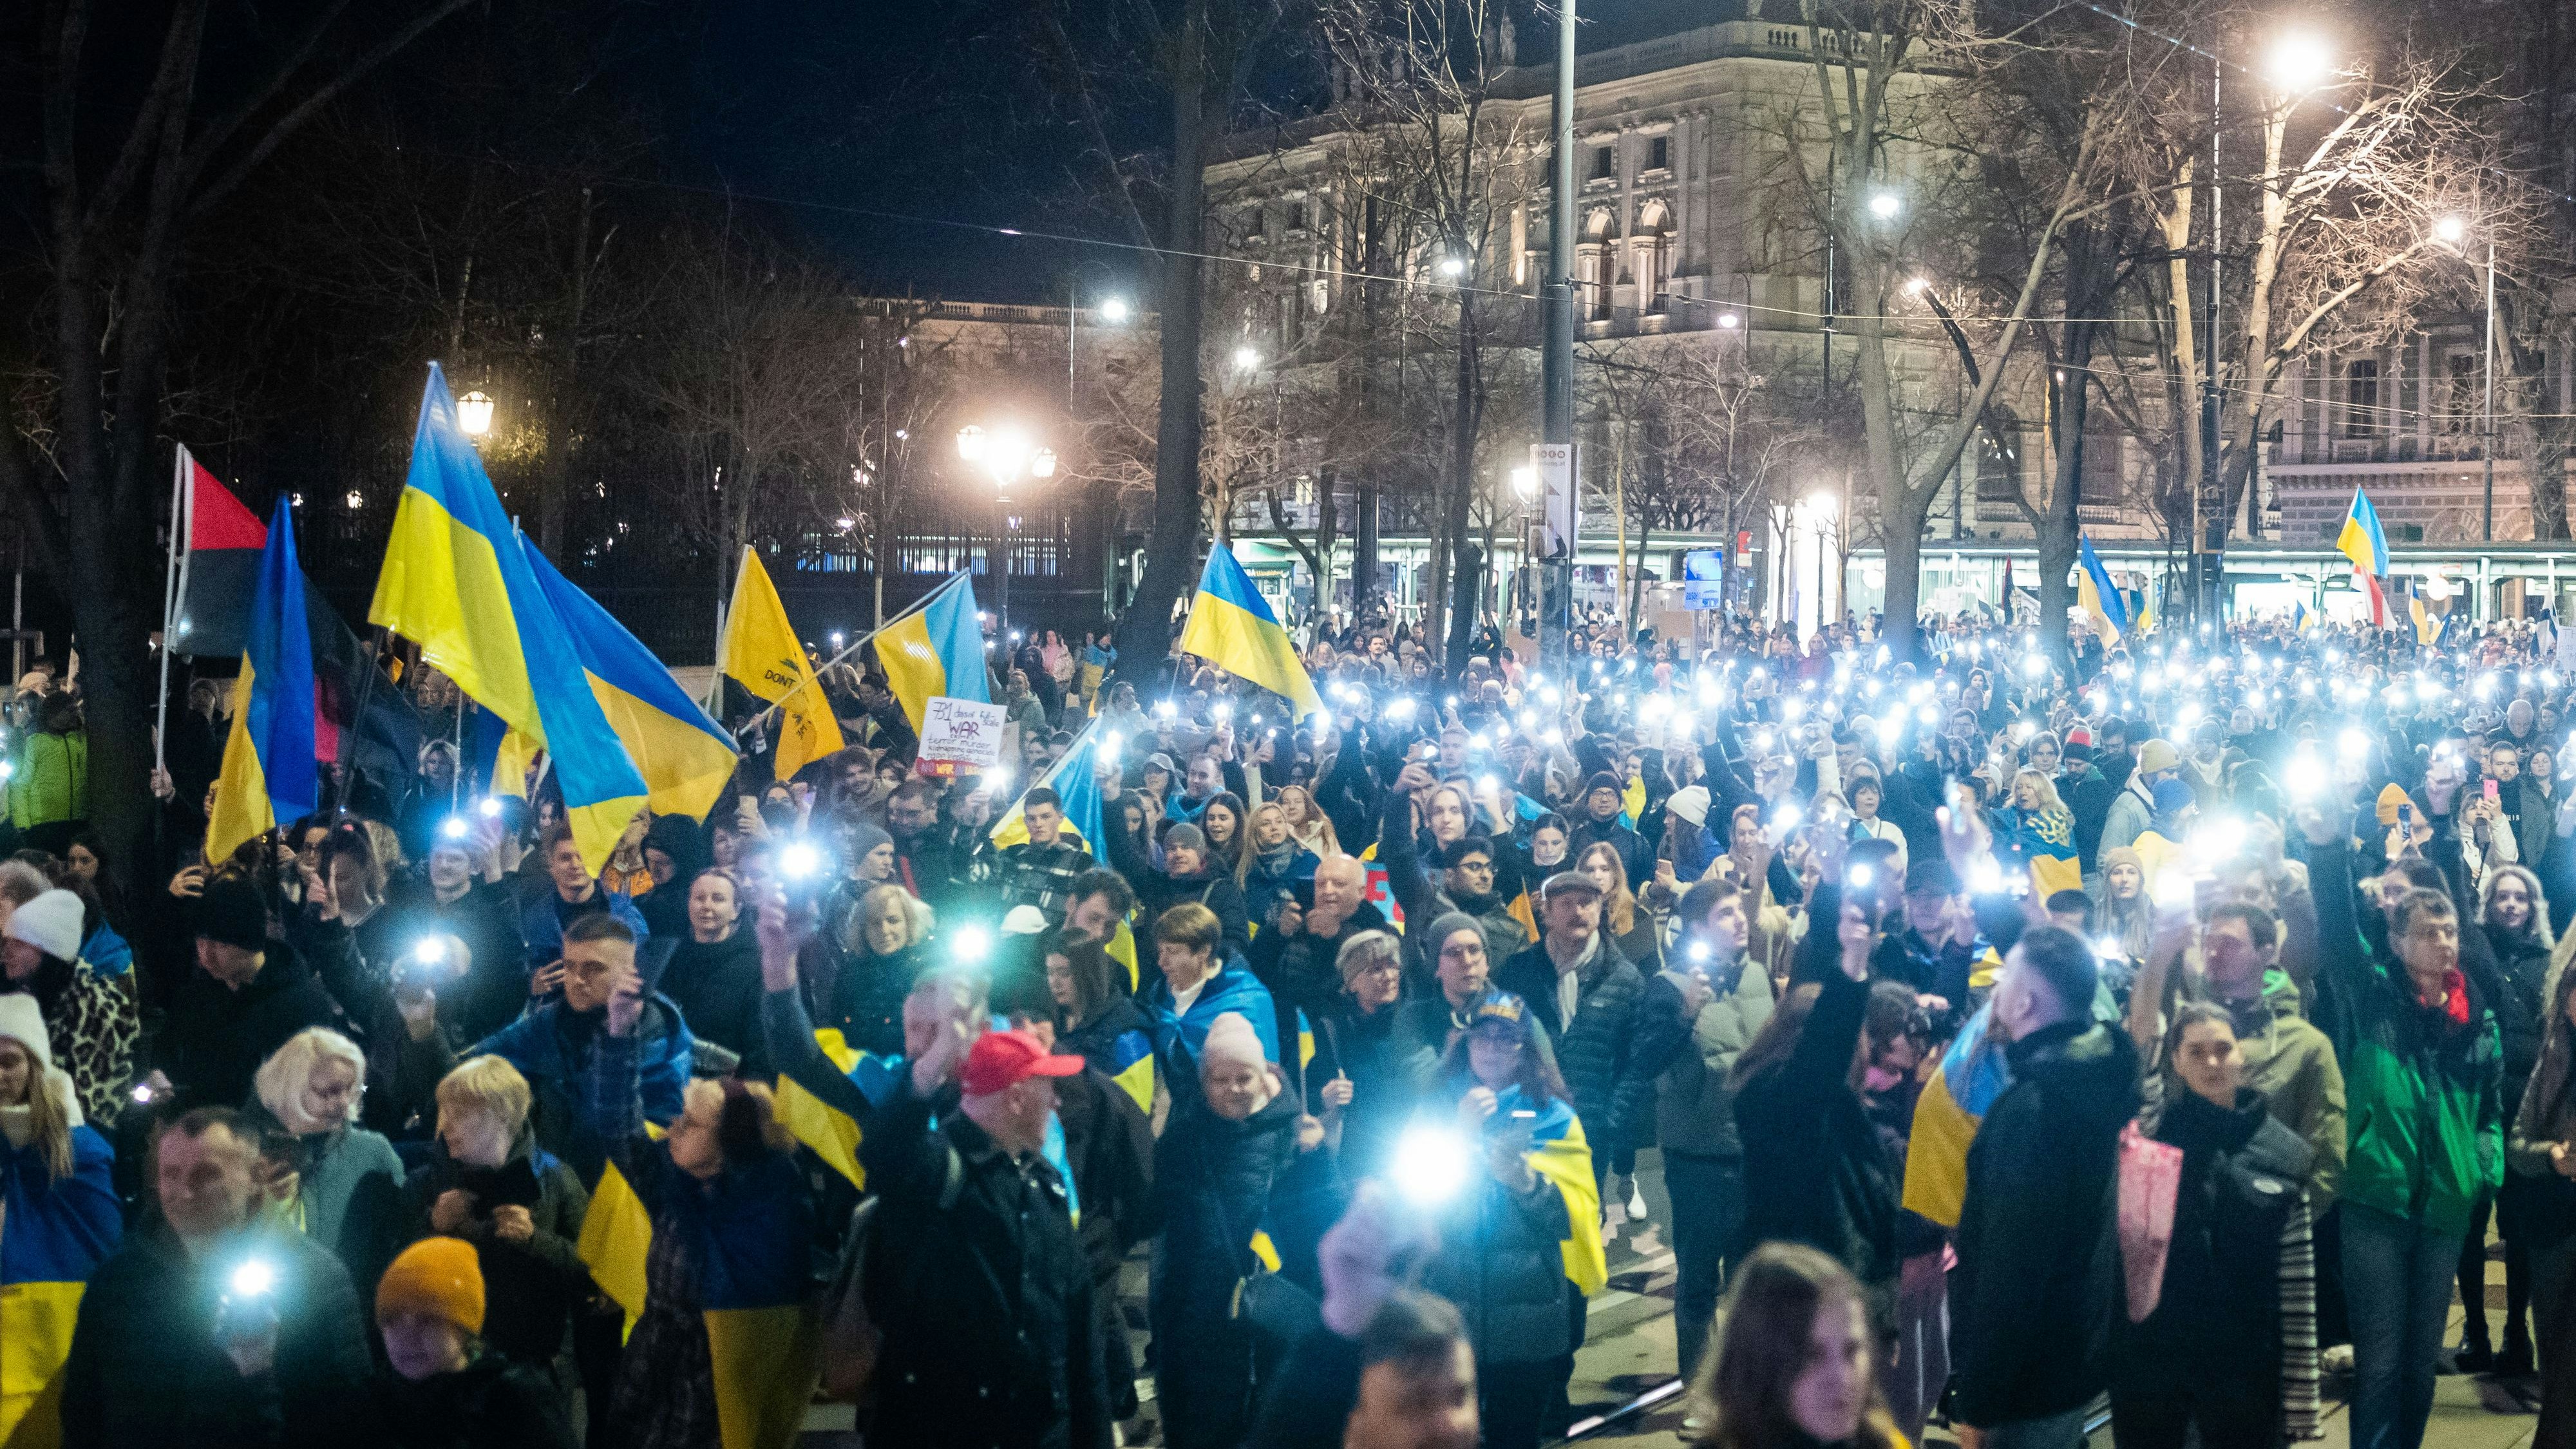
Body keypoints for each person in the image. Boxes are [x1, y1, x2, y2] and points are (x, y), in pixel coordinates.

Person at [2301, 793, 2503, 1449]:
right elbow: (2335, 931)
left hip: (2445, 1207)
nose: (2440, 941)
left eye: (2447, 930)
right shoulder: (2372, 999)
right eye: (2425, 930)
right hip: (2375, 1205)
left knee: (2420, 1366)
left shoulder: (2477, 1022)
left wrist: (2481, 1170)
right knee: (2381, 1363)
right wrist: (2329, 847)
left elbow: (2490, 1112)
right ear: (2396, 939)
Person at [855, 980, 1115, 1449]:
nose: (1056, 1103)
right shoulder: (936, 1171)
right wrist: (934, 1061)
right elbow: (885, 1148)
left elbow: (1078, 1336)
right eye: (1047, 1088)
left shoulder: (1045, 1185)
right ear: (1016, 1098)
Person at [576, 952, 813, 1449]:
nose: (674, 1128)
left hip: (718, 1388)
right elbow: (616, 1121)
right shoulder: (671, 1181)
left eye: (692, 1122)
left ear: (733, 1141)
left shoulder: (770, 1212)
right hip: (651, 1372)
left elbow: (770, 1337)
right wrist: (620, 1033)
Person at [60, 1106, 374, 1446]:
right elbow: (82, 1413)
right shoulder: (119, 1282)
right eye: (170, 1174)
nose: (183, 1193)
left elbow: (346, 1421)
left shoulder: (316, 1281)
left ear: (256, 1176)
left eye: (206, 1175)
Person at [1947, 923, 2141, 1449]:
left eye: (2005, 976)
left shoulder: (2033, 1113)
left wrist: (1980, 1401)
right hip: (2068, 1358)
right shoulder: (2092, 1081)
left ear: (2027, 1002)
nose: (1995, 988)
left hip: (2025, 1383)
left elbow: (2013, 1268)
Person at [2110, 1001, 2317, 1449]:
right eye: (2196, 1051)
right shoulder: (2152, 1140)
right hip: (2154, 1364)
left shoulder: (2285, 1155)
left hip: (2243, 1366)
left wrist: (2302, 1398)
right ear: (2176, 1062)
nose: (2212, 1062)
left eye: (2223, 1049)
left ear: (2243, 1054)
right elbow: (2138, 1056)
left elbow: (2296, 1285)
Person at [1418, 992, 1584, 1449]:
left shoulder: (1554, 1116)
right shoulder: (1435, 1110)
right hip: (1453, 1306)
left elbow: (1574, 1219)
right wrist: (1459, 1133)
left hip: (1528, 1319)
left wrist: (1528, 1184)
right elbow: (1413, 1203)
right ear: (1466, 1043)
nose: (1492, 1048)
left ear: (1525, 1048)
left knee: (1517, 1437)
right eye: (1482, 1037)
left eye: (1507, 1039)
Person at [1642, 878, 1775, 1385]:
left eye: (1739, 910)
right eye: (1725, 913)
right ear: (1698, 927)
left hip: (1755, 1153)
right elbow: (1646, 1060)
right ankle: (1699, 1392)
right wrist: (1685, 1016)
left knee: (1751, 1280)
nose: (1739, 919)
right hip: (1698, 1157)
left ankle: (1745, 1392)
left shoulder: (1759, 975)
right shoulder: (1668, 986)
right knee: (1699, 1282)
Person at [1152, 1011, 1299, 1449]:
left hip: (1271, 1312)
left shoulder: (1291, 1134)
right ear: (1203, 1082)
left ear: (1263, 1075)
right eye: (1221, 1079)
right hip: (1199, 1314)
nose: (1234, 1089)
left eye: (1244, 1077)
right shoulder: (1183, 1139)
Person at [460, 914, 694, 1183]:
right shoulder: (551, 1021)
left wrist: (618, 1037)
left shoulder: (659, 1034)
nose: (578, 980)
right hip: (555, 1184)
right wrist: (423, 1028)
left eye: (594, 968)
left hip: (621, 1194)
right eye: (570, 966)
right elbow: (476, 1062)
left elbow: (637, 1141)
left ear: (631, 973)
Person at [401, 1054, 592, 1379]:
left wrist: (535, 1240)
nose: (446, 1126)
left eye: (460, 1114)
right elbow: (394, 1269)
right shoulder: (427, 1180)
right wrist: (433, 1228)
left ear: (502, 1114)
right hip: (446, 1359)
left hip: (532, 1365)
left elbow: (592, 1268)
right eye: (445, 1113)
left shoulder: (556, 1178)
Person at [0, 992, 119, 1445]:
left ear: (35, 1065)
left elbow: (102, 1248)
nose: (0, 1074)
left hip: (55, 1330)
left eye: (10, 1060)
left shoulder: (80, 1153)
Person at [1493, 871, 1655, 1198]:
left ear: (1601, 910)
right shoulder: (1518, 971)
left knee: (1583, 1219)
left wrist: (1612, 1118)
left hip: (1591, 1126)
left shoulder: (1626, 979)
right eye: (1566, 904)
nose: (1578, 912)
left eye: (1586, 903)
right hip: (1529, 1117)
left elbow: (1636, 1064)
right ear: (1547, 913)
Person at [350, 1236, 579, 1448]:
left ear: (465, 1328)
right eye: (392, 1320)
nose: (405, 1338)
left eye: (427, 1320)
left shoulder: (514, 1401)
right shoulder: (373, 1401)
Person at [2459, 861, 2552, 1375]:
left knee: (2517, 1228)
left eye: (2520, 898)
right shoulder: (2473, 956)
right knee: (2471, 1224)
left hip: (2524, 1107)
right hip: (2476, 1103)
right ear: (2488, 904)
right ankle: (2476, 1327)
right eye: (2502, 897)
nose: (2511, 905)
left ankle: (2517, 1329)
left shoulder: (2548, 961)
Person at [1683, 1242, 1908, 1449]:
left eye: (1852, 1350)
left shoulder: (1882, 1440)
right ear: (1757, 1364)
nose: (1842, 1377)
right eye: (1812, 1356)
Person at [154, 874, 346, 1115]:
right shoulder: (196, 995)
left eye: (221, 945)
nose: (206, 957)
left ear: (251, 943)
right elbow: (168, 1049)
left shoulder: (302, 1005)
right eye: (201, 943)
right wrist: (160, 1075)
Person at [248, 1028, 406, 1289]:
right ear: (291, 1089)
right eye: (329, 1092)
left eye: (349, 1089)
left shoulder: (374, 1151)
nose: (343, 1102)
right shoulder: (249, 1151)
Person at [2506, 958, 2576, 1449]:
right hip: (2555, 1230)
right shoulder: (2552, 1060)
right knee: (2557, 1365)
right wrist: (2551, 1156)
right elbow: (2517, 1146)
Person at [0, 886, 136, 1126]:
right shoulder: (24, 995)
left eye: (19, 944)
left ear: (48, 951)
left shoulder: (97, 1007)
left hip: (68, 1141)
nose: (6, 953)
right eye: (6, 942)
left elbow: (88, 1106)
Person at [651, 867, 768, 1079]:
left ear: (736, 910)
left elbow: (760, 1047)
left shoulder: (753, 966)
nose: (707, 906)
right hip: (670, 1086)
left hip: (725, 1093)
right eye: (699, 898)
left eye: (718, 899)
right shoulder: (669, 957)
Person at [827, 881, 933, 1057]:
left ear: (908, 922)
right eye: (875, 923)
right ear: (863, 930)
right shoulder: (849, 975)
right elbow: (836, 1031)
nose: (884, 930)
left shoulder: (928, 973)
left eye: (893, 920)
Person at [518, 826, 649, 969]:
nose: (575, 865)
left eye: (583, 857)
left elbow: (642, 970)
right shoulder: (536, 919)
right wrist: (535, 986)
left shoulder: (624, 913)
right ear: (552, 865)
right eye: (565, 858)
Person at [988, 786, 1097, 921]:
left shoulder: (1081, 863)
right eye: (1032, 818)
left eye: (1045, 817)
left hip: (1054, 941)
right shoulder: (1011, 857)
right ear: (1025, 822)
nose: (1038, 824)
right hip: (1007, 939)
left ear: (1060, 817)